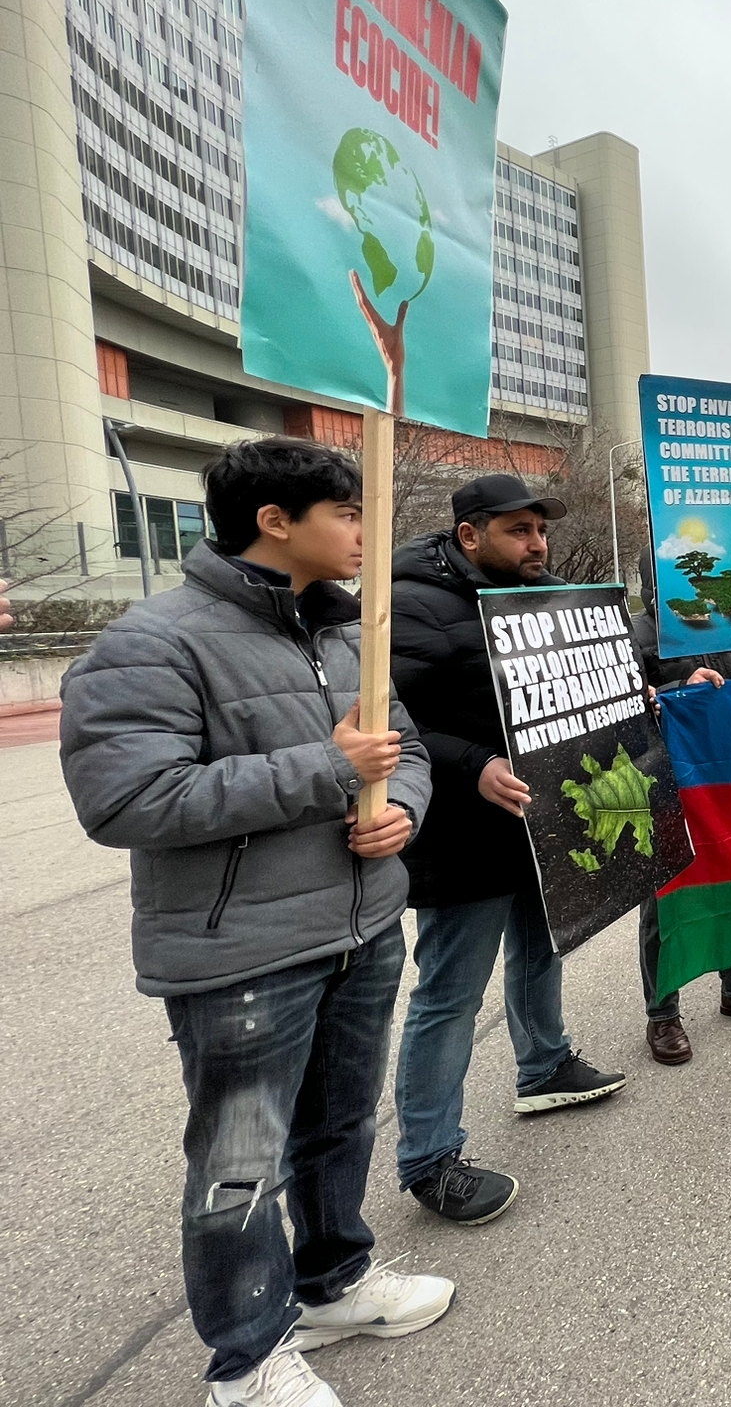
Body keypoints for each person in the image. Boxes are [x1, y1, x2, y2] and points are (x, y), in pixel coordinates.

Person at [60, 438, 448, 1407]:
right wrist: (331, 771)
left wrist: (401, 808)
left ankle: (333, 1282)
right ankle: (246, 1358)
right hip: (243, 954)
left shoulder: (351, 634)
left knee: (340, 1123)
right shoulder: (153, 641)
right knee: (239, 1163)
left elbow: (402, 750)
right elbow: (127, 799)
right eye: (347, 513)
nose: (365, 531)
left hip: (361, 928)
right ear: (275, 522)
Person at [387, 474, 626, 1228]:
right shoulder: (410, 604)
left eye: (541, 530)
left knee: (542, 949)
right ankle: (429, 1158)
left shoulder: (549, 598)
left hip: (542, 820)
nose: (538, 544)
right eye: (520, 531)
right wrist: (474, 765)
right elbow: (387, 722)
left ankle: (544, 1066)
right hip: (463, 833)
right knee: (450, 994)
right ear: (470, 535)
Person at [631, 547, 731, 1064]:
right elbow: (623, 706)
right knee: (667, 898)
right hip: (667, 781)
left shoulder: (726, 626)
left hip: (728, 776)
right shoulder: (637, 633)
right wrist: (680, 689)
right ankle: (662, 1013)